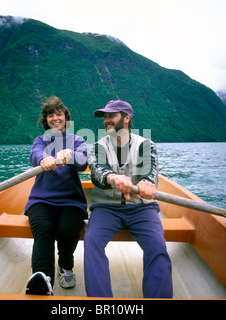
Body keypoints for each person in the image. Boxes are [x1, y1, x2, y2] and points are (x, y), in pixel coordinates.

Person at [84, 99, 173, 298]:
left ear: (126, 118)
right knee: (91, 241)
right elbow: (98, 173)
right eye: (105, 117)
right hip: (106, 208)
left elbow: (150, 174)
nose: (106, 121)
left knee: (158, 246)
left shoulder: (146, 145)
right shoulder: (96, 147)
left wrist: (147, 183)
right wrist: (112, 177)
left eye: (111, 116)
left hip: (142, 208)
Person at [24, 96, 88, 295]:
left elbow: (83, 161)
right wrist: (44, 158)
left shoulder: (77, 140)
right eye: (50, 115)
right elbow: (35, 154)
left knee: (67, 230)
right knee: (44, 229)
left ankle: (65, 266)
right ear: (46, 120)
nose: (55, 118)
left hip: (71, 200)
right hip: (41, 200)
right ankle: (43, 278)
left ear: (65, 117)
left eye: (58, 114)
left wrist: (69, 155)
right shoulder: (40, 141)